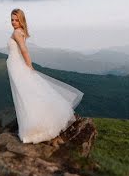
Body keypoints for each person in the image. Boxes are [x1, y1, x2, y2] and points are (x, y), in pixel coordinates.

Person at [6, 8, 84, 143]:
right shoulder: (21, 32)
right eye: (12, 19)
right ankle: (33, 121)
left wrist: (29, 66)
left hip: (17, 65)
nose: (13, 22)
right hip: (16, 64)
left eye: (16, 19)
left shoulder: (16, 33)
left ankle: (32, 126)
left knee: (23, 94)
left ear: (21, 20)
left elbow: (24, 50)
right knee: (27, 92)